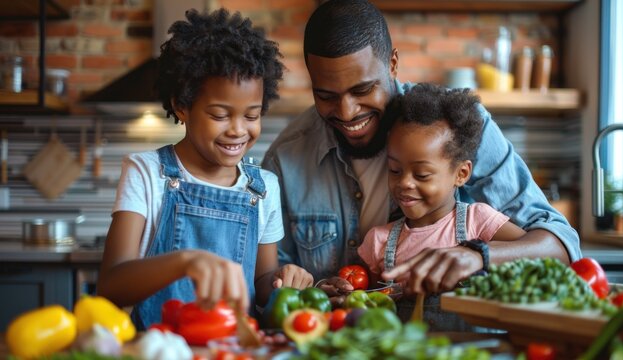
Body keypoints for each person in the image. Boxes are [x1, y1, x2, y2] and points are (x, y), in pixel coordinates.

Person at [261, 0, 580, 307]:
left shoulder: (456, 128)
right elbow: (270, 283)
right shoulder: (287, 157)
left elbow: (559, 244)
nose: (346, 112)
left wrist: (476, 255)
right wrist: (312, 289)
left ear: (393, 64)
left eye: (362, 90)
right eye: (326, 96)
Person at [97, 8, 313, 330]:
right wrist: (184, 262)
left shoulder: (263, 187)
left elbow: (262, 284)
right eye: (220, 115)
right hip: (158, 350)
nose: (238, 130)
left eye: (251, 116)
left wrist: (284, 279)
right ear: (182, 106)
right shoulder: (147, 173)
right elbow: (111, 286)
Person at [356, 84, 526, 329]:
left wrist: (480, 257)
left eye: (422, 175)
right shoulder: (378, 241)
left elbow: (529, 256)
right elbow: (364, 300)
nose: (404, 183)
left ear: (461, 173)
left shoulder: (478, 221)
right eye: (394, 170)